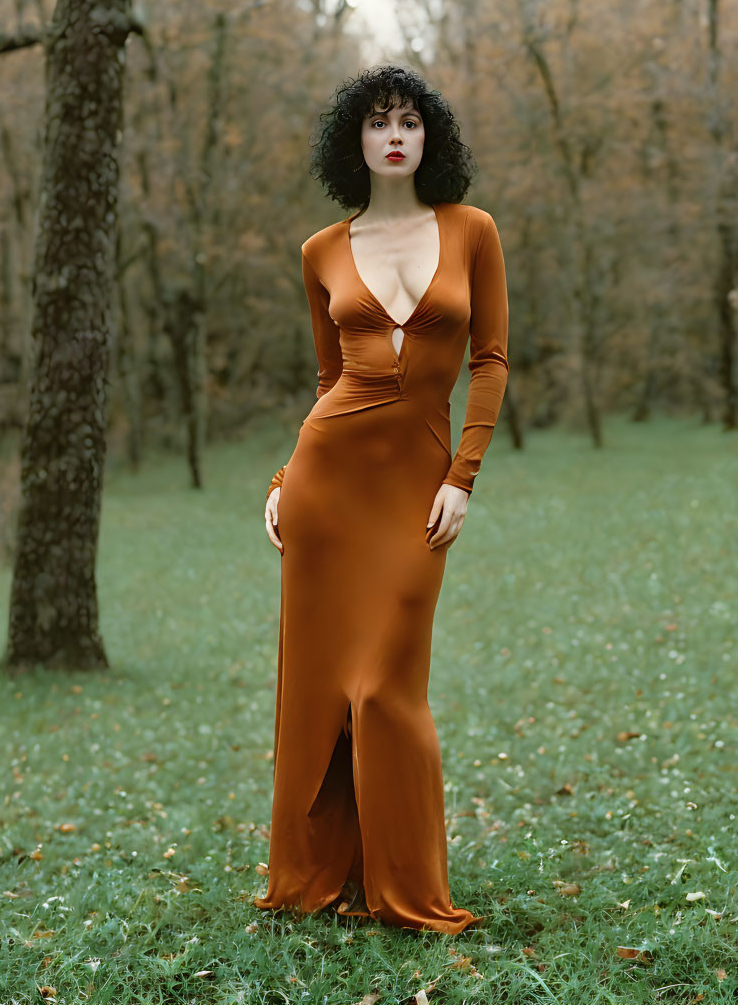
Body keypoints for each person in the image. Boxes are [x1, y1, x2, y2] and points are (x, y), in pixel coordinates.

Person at [253, 64, 509, 934]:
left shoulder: (471, 230)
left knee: (389, 681)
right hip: (326, 484)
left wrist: (461, 476)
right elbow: (328, 379)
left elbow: (491, 360)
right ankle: (322, 873)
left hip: (417, 490)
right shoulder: (320, 251)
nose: (393, 134)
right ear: (353, 143)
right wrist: (285, 482)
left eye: (408, 120)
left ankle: (405, 886)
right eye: (376, 122)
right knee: (323, 683)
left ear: (428, 136)